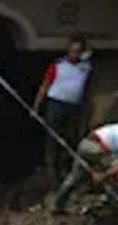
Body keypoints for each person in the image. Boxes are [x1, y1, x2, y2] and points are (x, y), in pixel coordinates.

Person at [34, 35, 93, 176]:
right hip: (56, 104)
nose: (74, 54)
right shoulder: (58, 65)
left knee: (71, 136)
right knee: (54, 135)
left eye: (78, 51)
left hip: (73, 106)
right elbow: (45, 85)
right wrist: (36, 106)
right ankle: (50, 166)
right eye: (72, 51)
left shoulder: (85, 67)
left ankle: (65, 165)